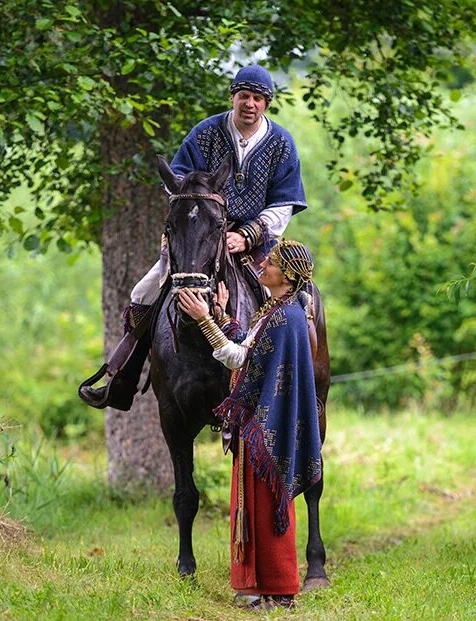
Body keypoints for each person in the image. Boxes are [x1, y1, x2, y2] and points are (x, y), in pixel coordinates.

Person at [79, 63, 308, 409]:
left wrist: (247, 235)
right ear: (233, 97)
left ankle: (294, 388)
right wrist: (195, 218)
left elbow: (283, 204)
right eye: (244, 96)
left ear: (266, 104)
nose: (250, 104)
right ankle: (122, 380)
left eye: (257, 98)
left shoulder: (281, 143)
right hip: (199, 236)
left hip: (257, 239)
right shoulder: (206, 132)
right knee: (142, 292)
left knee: (296, 301)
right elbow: (176, 182)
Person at [178, 239, 321, 610]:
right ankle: (260, 586)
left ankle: (277, 589)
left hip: (264, 425)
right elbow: (250, 343)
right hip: (260, 422)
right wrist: (225, 316)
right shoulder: (279, 311)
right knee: (255, 506)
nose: (263, 266)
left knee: (264, 506)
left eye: (270, 262)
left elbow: (238, 357)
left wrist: (204, 320)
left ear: (287, 274)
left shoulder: (284, 318)